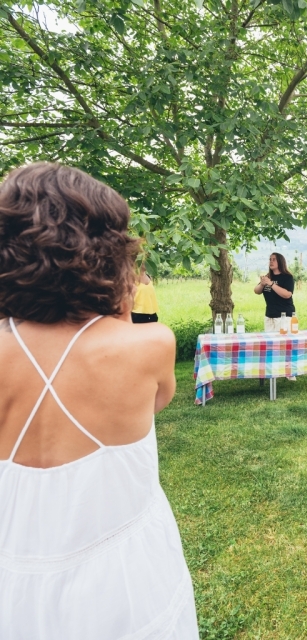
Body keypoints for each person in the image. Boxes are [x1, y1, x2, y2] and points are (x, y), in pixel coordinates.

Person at [0, 163, 198, 637]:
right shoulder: (148, 346)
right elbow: (156, 402)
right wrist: (121, 302)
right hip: (124, 575)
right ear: (110, 252)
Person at [253, 252, 295, 332]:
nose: (271, 262)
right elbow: (256, 291)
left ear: (280, 262)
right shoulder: (268, 276)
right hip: (269, 315)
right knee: (270, 343)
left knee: (283, 342)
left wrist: (271, 284)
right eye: (270, 260)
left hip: (284, 316)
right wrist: (262, 284)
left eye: (274, 260)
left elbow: (287, 294)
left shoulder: (287, 277)